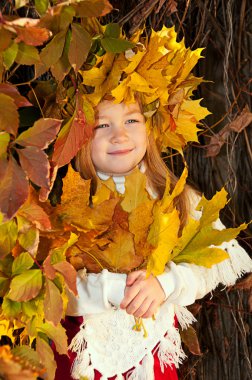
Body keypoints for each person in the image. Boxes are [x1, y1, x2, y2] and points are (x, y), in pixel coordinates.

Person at [52, 26, 252, 380]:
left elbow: (218, 259)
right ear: (80, 132)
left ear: (151, 128)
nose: (120, 134)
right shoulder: (65, 202)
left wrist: (167, 284)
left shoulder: (173, 198)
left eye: (132, 119)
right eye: (103, 125)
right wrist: (110, 290)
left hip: (152, 361)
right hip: (79, 358)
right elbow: (48, 287)